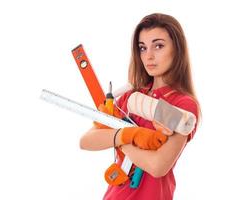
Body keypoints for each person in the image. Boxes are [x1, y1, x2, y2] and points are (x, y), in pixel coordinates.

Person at [80, 13, 201, 200]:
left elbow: (158, 166)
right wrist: (126, 134)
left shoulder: (183, 106)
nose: (149, 56)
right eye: (142, 48)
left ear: (177, 49)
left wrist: (119, 140)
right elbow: (87, 141)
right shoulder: (132, 97)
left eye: (158, 46)